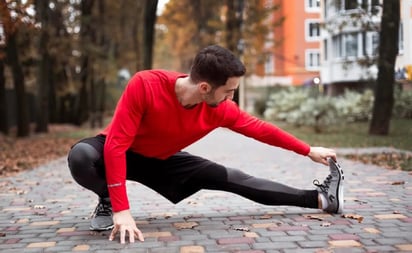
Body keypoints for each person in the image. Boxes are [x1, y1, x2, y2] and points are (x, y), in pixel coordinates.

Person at [67, 45, 344, 244]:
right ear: (204, 88)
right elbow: (116, 147)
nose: (231, 98)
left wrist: (307, 150)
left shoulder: (220, 109)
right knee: (81, 156)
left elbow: (261, 129)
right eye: (229, 91)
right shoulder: (145, 85)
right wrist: (121, 209)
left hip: (162, 159)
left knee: (232, 177)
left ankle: (321, 199)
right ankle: (105, 199)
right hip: (116, 147)